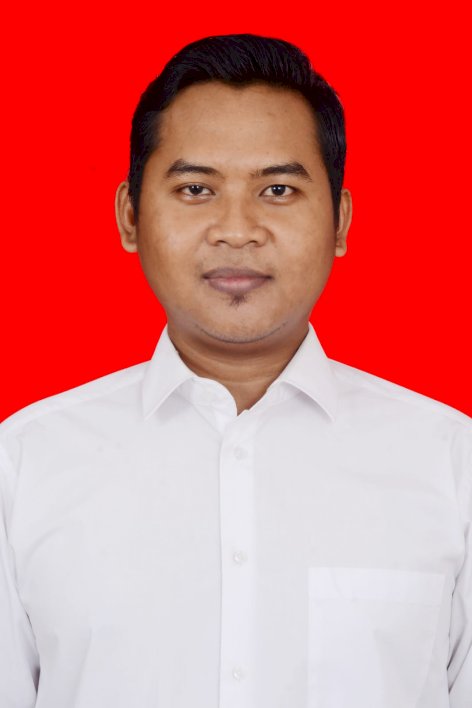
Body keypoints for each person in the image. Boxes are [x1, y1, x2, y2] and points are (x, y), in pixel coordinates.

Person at [0, 33, 470, 708]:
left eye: (278, 189)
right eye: (196, 189)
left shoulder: (452, 468)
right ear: (130, 216)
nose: (237, 229)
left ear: (340, 221)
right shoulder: (24, 468)